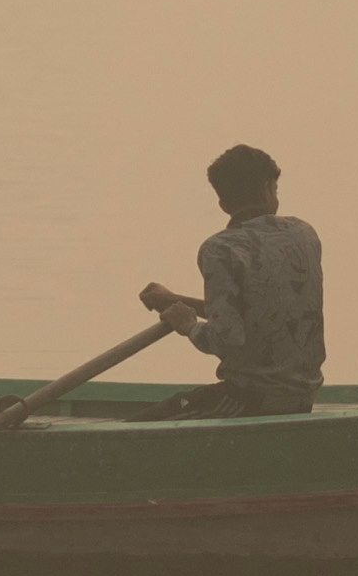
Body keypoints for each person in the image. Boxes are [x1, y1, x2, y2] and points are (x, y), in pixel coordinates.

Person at [126, 143, 322, 418]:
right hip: (301, 398)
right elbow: (257, 308)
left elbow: (226, 337)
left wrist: (189, 326)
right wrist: (172, 301)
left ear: (223, 204)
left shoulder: (221, 249)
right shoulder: (304, 235)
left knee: (146, 419)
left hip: (246, 400)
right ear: (267, 189)